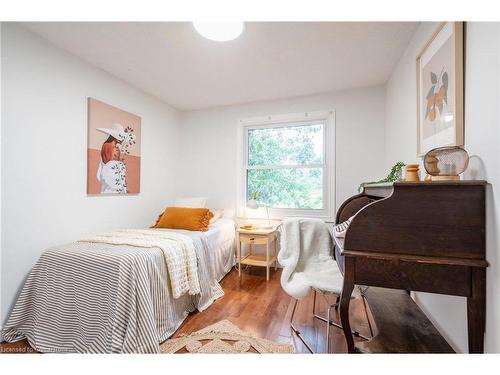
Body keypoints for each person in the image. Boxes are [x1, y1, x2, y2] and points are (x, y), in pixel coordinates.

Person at [95, 123, 127, 194]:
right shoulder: (115, 149)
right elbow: (115, 172)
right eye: (121, 136)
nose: (122, 139)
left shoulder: (105, 145)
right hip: (113, 185)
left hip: (106, 185)